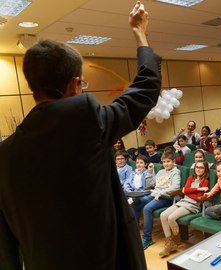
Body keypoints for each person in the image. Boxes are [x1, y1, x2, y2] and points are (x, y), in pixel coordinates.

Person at [0, 2, 158, 269]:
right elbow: (145, 90)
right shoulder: (89, 123)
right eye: (82, 83)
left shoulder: (4, 155)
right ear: (74, 84)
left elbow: (5, 246)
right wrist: (139, 33)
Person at [158, 161, 209, 258]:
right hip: (183, 201)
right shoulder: (191, 178)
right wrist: (198, 189)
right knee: (163, 215)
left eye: (201, 168)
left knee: (171, 218)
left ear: (205, 169)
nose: (198, 169)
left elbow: (197, 197)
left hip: (193, 205)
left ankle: (175, 240)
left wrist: (189, 192)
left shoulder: (205, 181)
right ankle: (170, 243)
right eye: (197, 167)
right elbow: (184, 190)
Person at [134, 151, 180, 249]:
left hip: (166, 198)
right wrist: (150, 172)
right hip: (154, 195)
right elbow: (151, 183)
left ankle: (147, 238)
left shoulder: (176, 172)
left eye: (168, 161)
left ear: (173, 161)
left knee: (147, 208)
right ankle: (134, 229)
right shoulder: (161, 172)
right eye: (164, 162)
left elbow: (176, 187)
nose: (166, 164)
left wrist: (161, 193)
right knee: (135, 202)